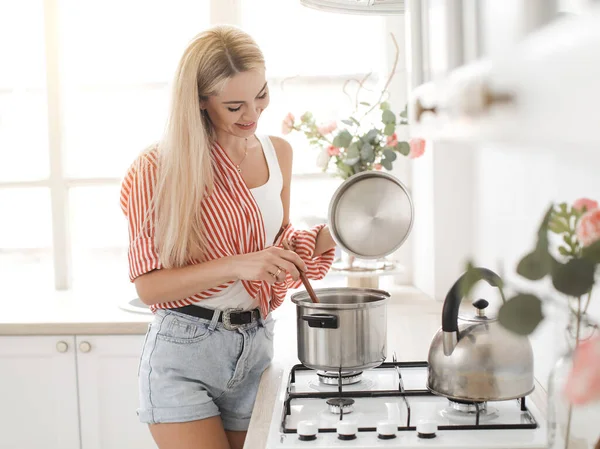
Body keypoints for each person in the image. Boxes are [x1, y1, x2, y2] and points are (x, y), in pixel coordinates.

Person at [119, 24, 336, 449]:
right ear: (200, 101)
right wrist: (239, 263)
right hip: (183, 350)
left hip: (255, 346)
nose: (253, 115)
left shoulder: (279, 153)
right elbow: (149, 287)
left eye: (262, 96)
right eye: (235, 105)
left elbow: (278, 246)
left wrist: (337, 234)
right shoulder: (157, 168)